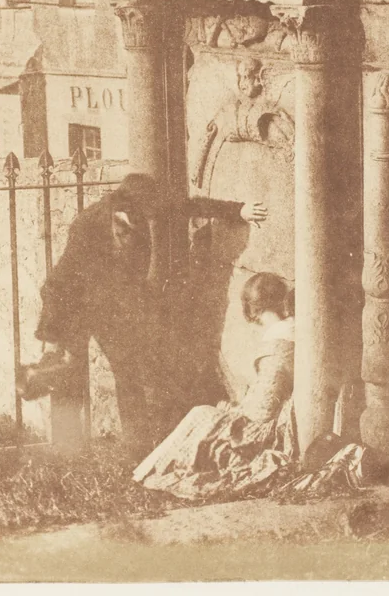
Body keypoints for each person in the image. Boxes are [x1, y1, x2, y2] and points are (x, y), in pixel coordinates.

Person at [19, 173, 268, 454]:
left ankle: (137, 452)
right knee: (67, 376)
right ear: (122, 209)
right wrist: (53, 337)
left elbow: (188, 206)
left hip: (116, 311)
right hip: (76, 307)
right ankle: (67, 450)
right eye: (140, 217)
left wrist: (238, 210)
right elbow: (59, 281)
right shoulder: (87, 226)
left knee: (130, 376)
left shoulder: (146, 208)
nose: (149, 222)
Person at [132, 272, 370, 501]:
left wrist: (233, 411)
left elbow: (263, 410)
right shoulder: (295, 330)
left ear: (252, 309)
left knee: (200, 414)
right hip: (281, 417)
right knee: (207, 414)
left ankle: (148, 475)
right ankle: (152, 471)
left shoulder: (278, 343)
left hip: (269, 431)